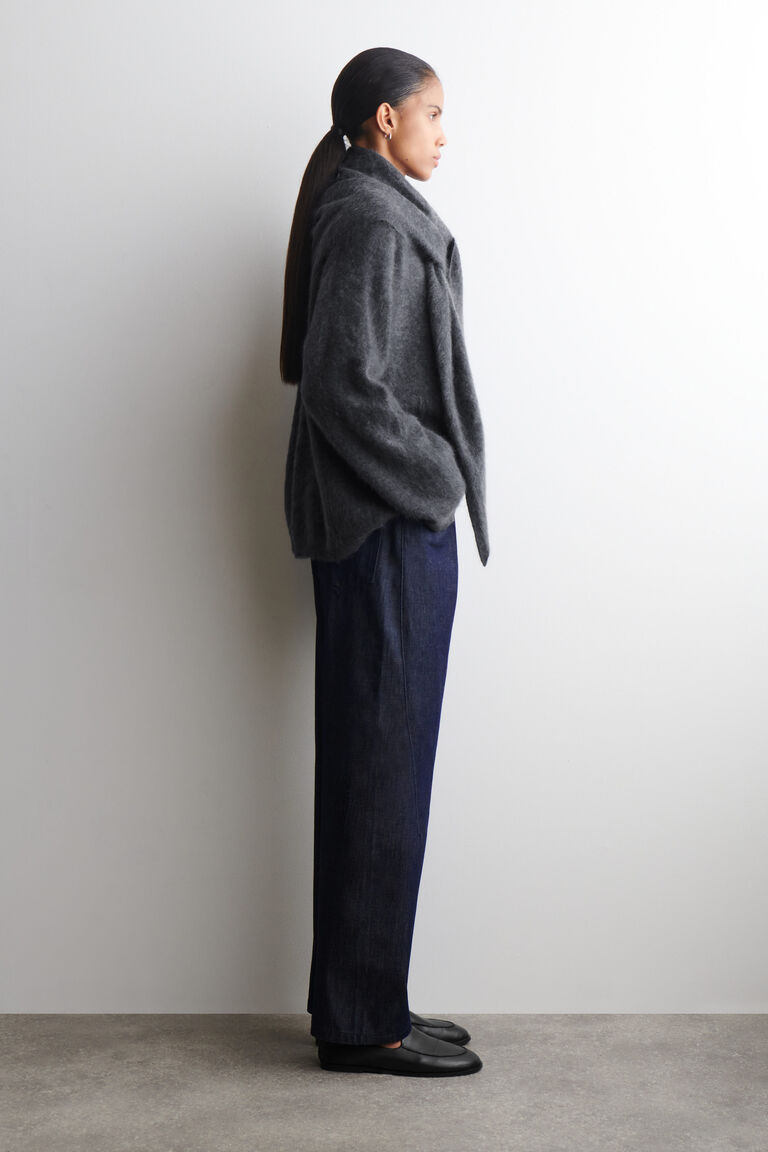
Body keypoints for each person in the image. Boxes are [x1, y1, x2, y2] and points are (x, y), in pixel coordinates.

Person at [279, 47, 489, 1077]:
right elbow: (338, 384)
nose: (444, 132)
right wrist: (435, 473)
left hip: (385, 525)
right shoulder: (368, 215)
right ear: (383, 119)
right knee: (378, 773)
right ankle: (365, 1026)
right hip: (384, 528)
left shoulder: (372, 205)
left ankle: (368, 1003)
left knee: (383, 769)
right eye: (432, 113)